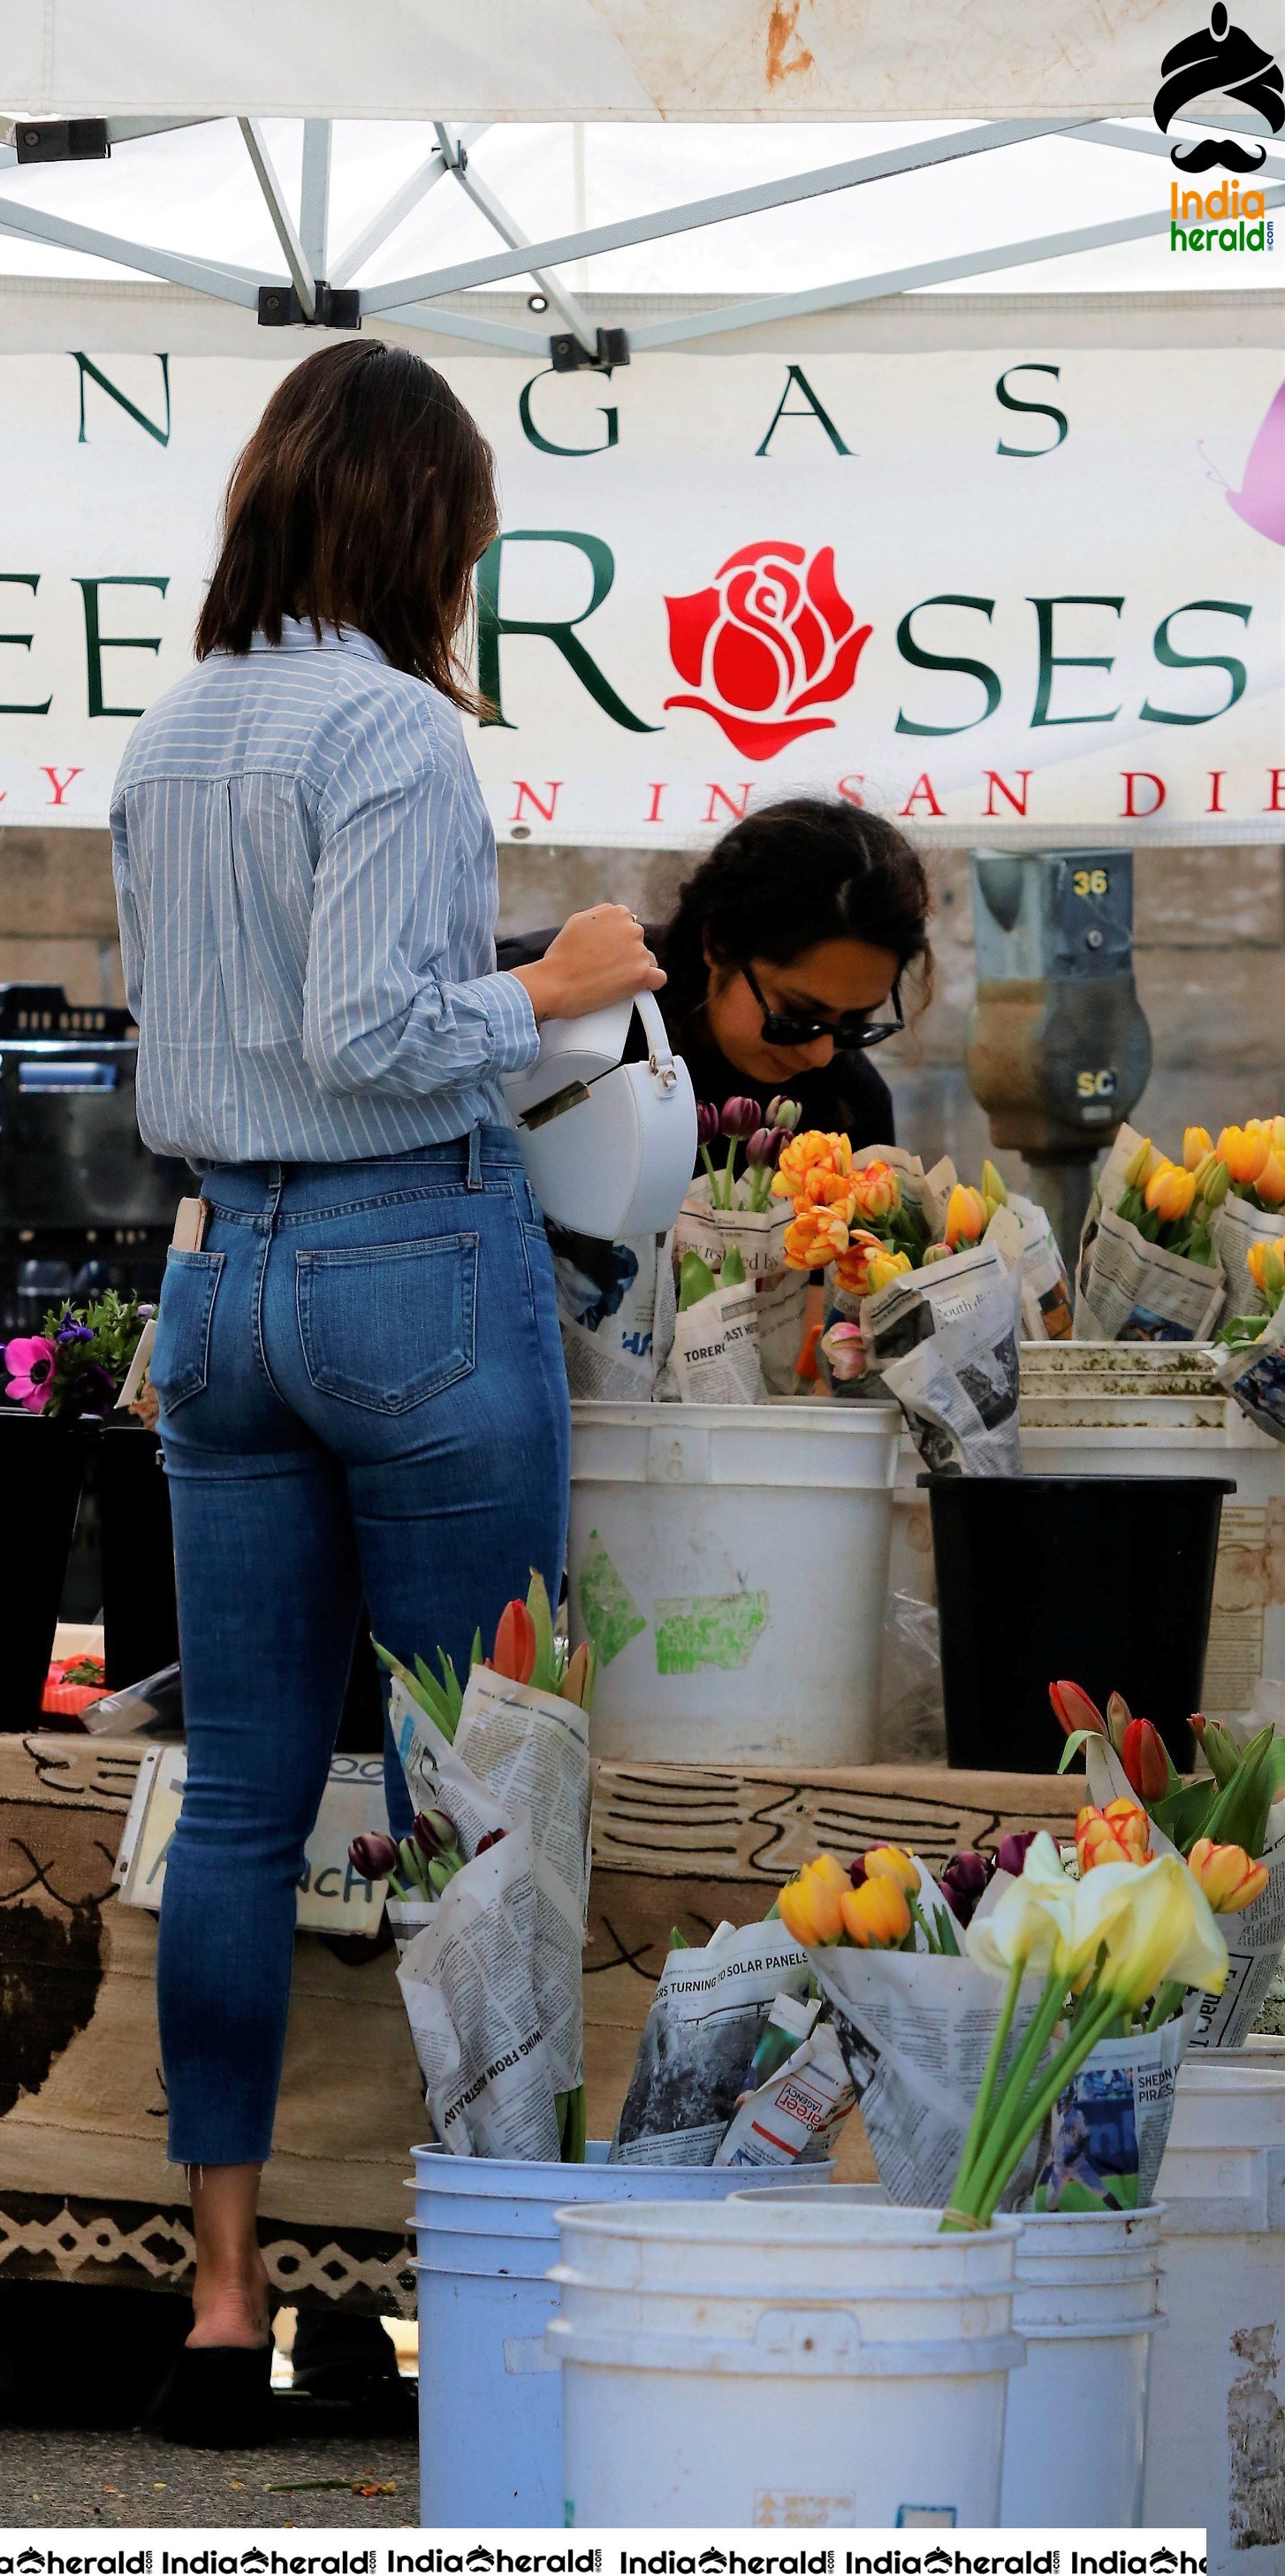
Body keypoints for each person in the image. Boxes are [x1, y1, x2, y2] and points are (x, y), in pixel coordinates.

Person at [108, 340, 659, 2444]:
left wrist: (474, 974)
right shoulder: (401, 733)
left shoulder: (174, 733)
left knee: (247, 1804)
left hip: (222, 1275)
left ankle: (221, 2306)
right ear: (426, 525)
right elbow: (371, 1032)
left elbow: (249, 1027)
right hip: (405, 1264)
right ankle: (502, 2299)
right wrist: (561, 980)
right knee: (486, 1791)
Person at [497, 796, 932, 1147]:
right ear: (718, 943)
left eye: (856, 1024)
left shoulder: (850, 1108)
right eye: (795, 1016)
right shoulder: (560, 1005)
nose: (820, 1055)